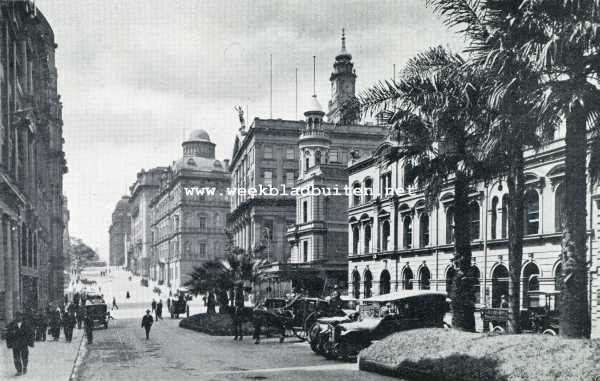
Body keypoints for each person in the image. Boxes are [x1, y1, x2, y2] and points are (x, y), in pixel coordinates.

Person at [5, 311, 34, 376]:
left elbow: (31, 333)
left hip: (24, 343)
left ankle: (25, 367)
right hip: (15, 344)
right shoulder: (11, 324)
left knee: (25, 356)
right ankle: (19, 370)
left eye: (20, 315)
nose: (18, 317)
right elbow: (8, 335)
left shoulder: (26, 324)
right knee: (16, 358)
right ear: (15, 316)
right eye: (17, 316)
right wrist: (9, 344)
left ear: (22, 316)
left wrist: (31, 342)